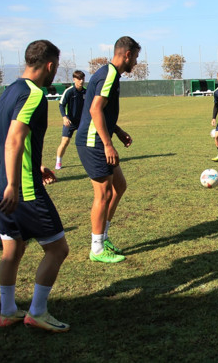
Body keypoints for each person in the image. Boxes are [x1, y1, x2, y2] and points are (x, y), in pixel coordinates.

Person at [0, 39, 70, 332]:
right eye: (56, 68)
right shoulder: (34, 94)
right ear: (49, 65)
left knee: (12, 251)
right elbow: (13, 139)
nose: (55, 73)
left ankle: (7, 311)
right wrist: (15, 183)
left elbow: (11, 137)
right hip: (20, 189)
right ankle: (37, 312)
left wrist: (34, 164)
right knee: (58, 249)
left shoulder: (11, 90)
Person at [76, 36, 140, 263]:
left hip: (98, 138)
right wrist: (108, 144)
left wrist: (118, 131)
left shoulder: (108, 73)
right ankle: (97, 248)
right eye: (136, 57)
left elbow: (102, 111)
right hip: (93, 143)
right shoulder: (109, 74)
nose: (136, 63)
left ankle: (103, 237)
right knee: (103, 194)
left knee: (119, 186)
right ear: (128, 54)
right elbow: (95, 110)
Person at [55, 70, 86, 170]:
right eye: (79, 79)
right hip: (70, 122)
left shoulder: (86, 91)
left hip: (82, 121)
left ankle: (88, 161)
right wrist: (64, 117)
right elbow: (61, 105)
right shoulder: (69, 91)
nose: (81, 81)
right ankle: (58, 161)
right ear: (74, 80)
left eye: (83, 79)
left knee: (86, 142)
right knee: (65, 142)